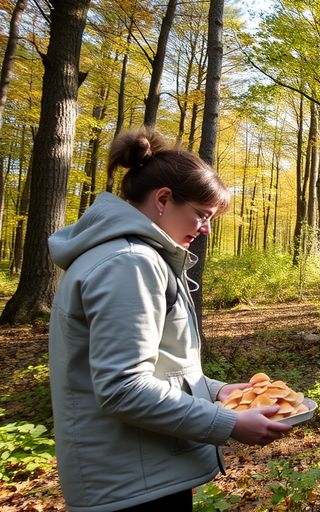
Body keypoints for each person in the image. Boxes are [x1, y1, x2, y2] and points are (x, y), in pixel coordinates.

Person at [48, 127, 291, 512]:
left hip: (138, 470)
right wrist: (227, 423)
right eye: (201, 215)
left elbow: (156, 364)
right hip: (131, 482)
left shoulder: (130, 257)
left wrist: (215, 391)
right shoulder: (130, 263)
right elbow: (123, 388)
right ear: (163, 199)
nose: (206, 229)